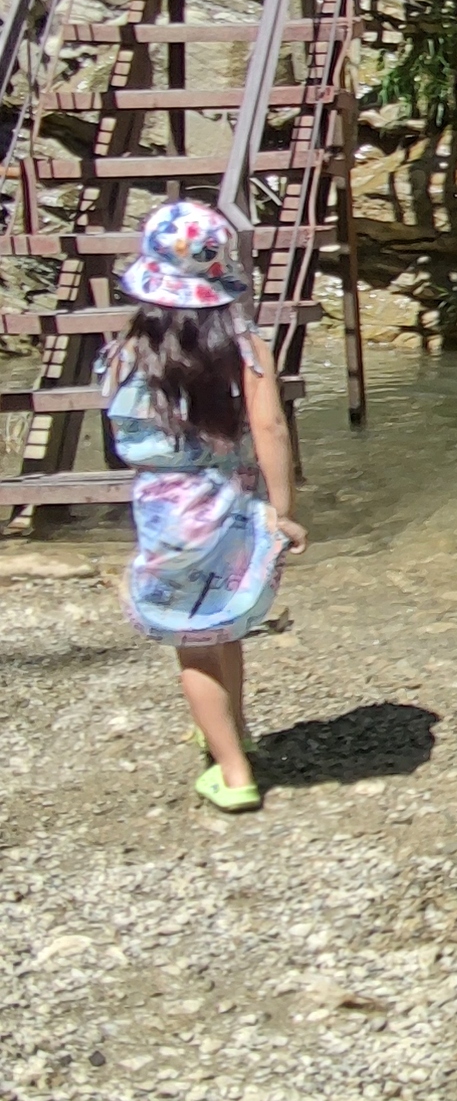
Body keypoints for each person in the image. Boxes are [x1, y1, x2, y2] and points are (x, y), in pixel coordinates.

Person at [95, 200, 305, 812]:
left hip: (166, 510)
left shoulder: (123, 354)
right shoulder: (245, 348)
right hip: (232, 500)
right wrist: (282, 507)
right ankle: (232, 729)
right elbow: (270, 431)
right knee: (226, 619)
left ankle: (235, 773)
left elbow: (123, 436)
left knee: (192, 642)